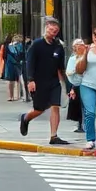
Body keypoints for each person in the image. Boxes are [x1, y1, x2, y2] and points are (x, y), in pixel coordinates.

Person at [20, 17, 71, 146]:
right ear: (46, 28)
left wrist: (66, 86)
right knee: (39, 109)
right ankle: (25, 118)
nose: (53, 32)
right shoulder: (36, 45)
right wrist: (30, 80)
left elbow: (61, 68)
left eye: (56, 31)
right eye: (51, 29)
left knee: (55, 106)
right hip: (38, 82)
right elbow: (30, 63)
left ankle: (54, 136)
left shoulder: (58, 47)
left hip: (53, 82)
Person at [65, 38, 86, 134]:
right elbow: (69, 73)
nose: (80, 46)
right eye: (78, 44)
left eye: (81, 44)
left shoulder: (87, 57)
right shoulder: (73, 59)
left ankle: (85, 124)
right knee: (78, 105)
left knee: (87, 105)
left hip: (87, 84)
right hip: (77, 85)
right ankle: (80, 124)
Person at [0, 34, 26, 101]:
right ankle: (18, 96)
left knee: (11, 81)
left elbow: (4, 56)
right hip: (17, 64)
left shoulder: (8, 46)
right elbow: (23, 55)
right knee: (18, 80)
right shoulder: (21, 46)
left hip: (10, 64)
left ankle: (11, 96)